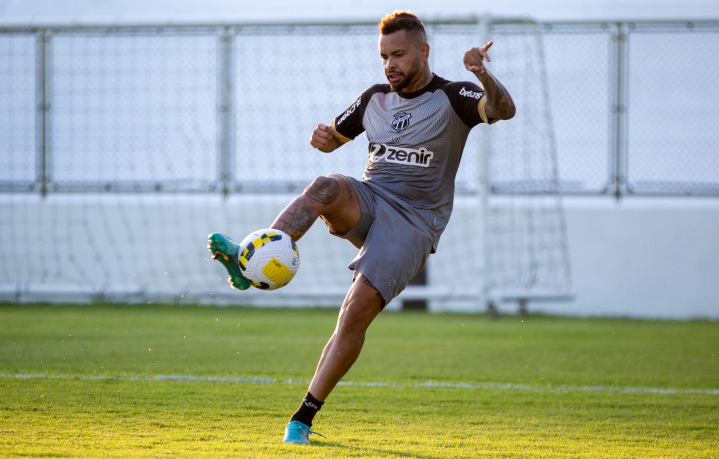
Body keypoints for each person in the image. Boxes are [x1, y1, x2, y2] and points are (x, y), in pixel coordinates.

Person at [208, 10, 515, 445]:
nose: (390, 64)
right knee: (325, 186)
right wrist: (324, 139)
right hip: (370, 200)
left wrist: (481, 73)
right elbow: (334, 137)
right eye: (384, 56)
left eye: (398, 55)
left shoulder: (453, 95)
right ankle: (250, 258)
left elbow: (503, 110)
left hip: (414, 221)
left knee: (354, 313)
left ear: (423, 51)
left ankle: (302, 419)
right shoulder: (374, 99)